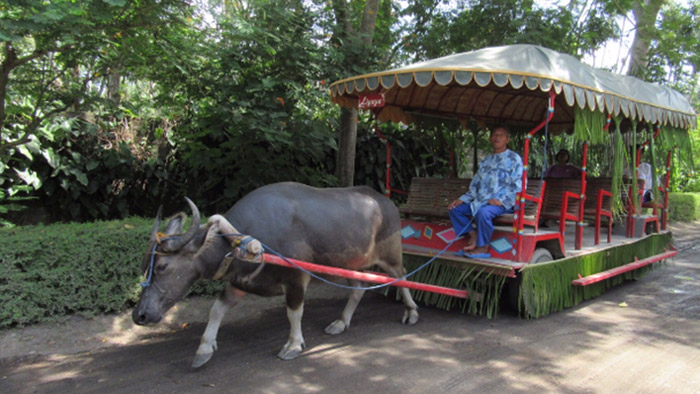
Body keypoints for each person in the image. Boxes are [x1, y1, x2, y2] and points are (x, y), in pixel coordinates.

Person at [448, 126, 523, 257]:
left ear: (507, 139)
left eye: (501, 135)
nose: (497, 138)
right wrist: (462, 199)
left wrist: (502, 201)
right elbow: (475, 184)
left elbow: (519, 185)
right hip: (481, 201)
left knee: (483, 213)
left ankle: (482, 247)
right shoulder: (486, 160)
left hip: (502, 204)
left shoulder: (514, 159)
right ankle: (473, 235)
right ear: (490, 139)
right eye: (494, 135)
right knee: (455, 210)